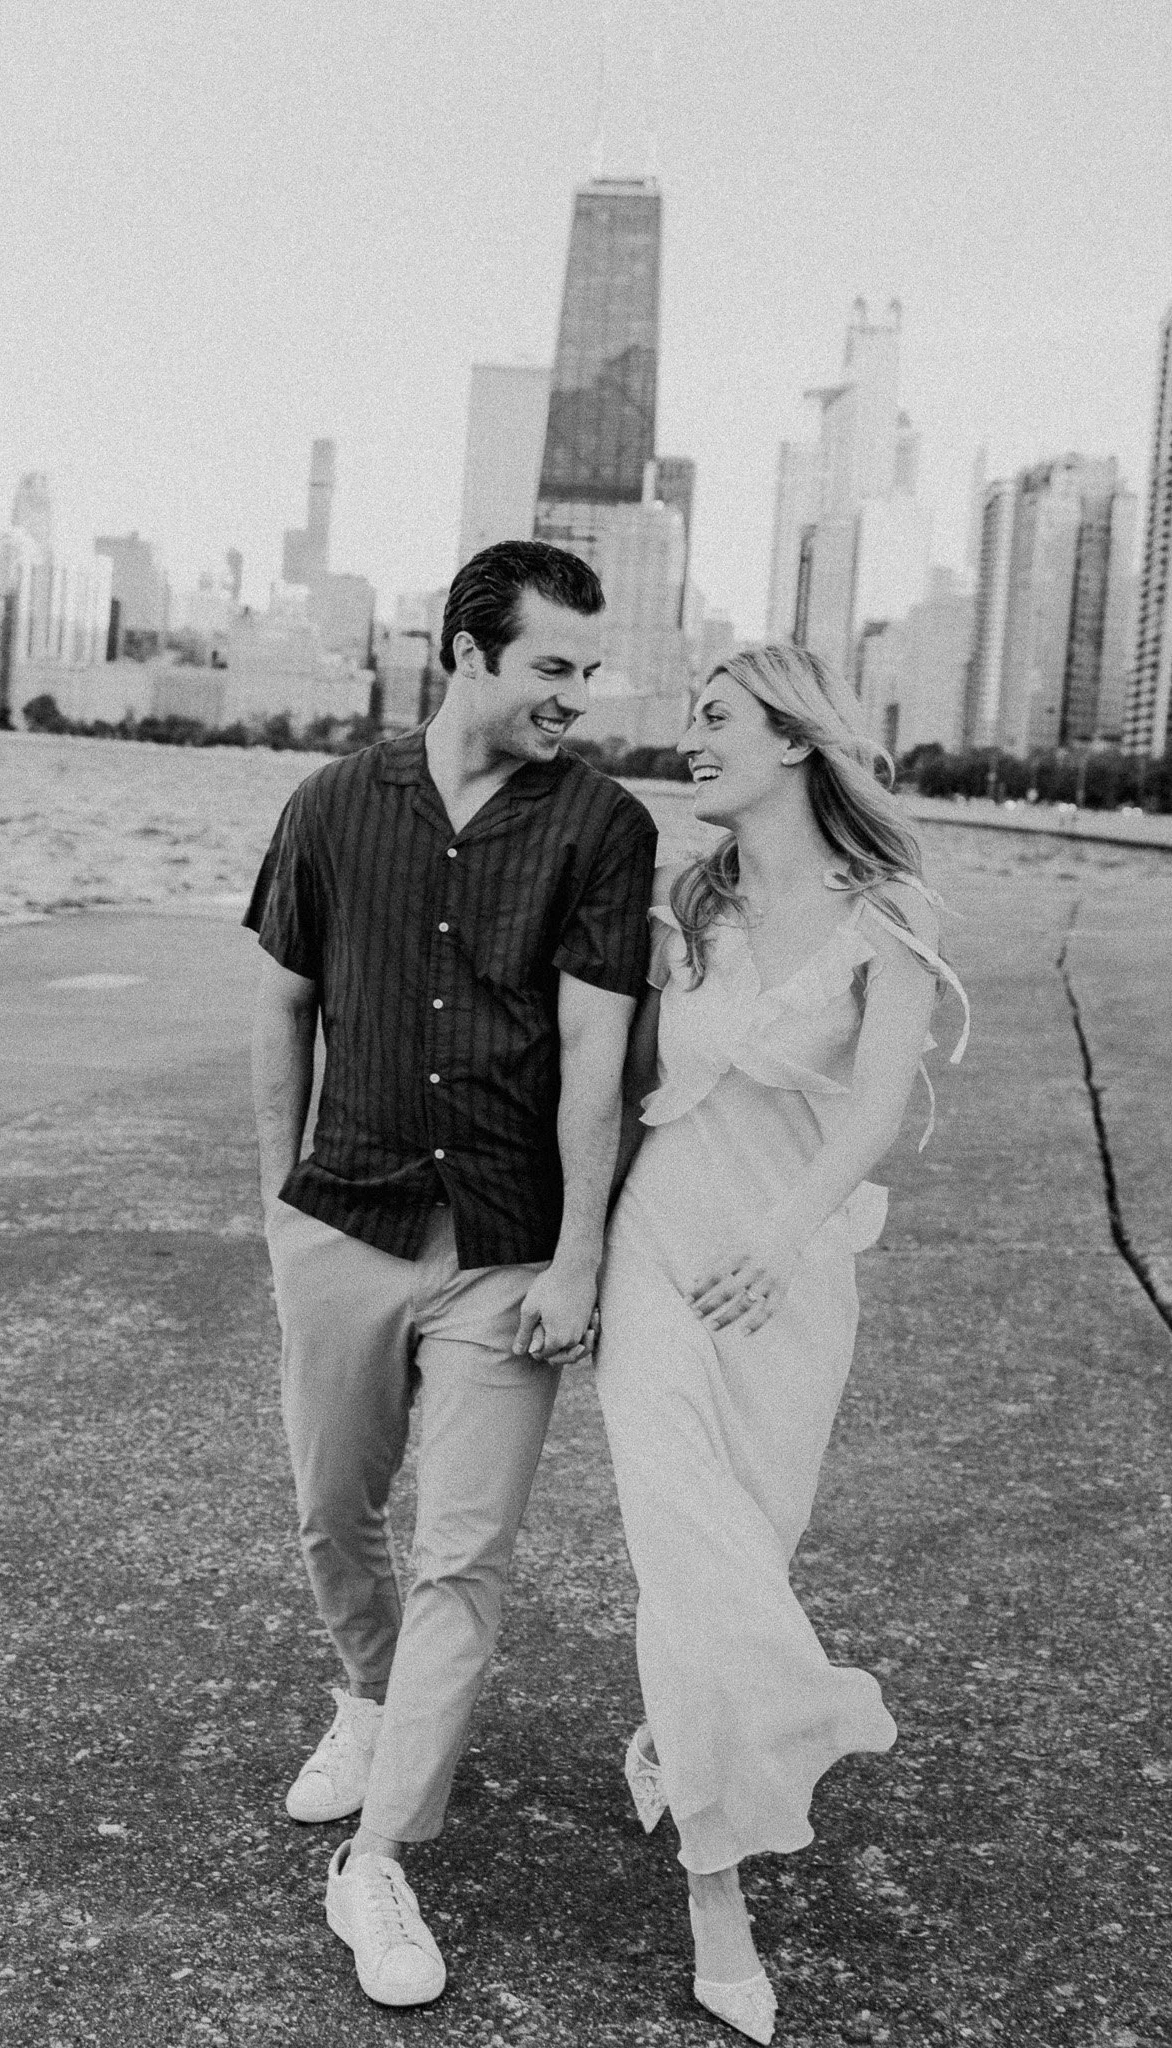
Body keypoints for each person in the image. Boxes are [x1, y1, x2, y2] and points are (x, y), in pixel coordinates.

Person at [245, 539, 657, 2007]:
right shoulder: (332, 805)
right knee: (330, 1507)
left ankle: (382, 1857)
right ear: (467, 655)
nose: (577, 698)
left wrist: (579, 1259)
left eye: (587, 672)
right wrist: (277, 1201)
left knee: (465, 1556)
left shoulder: (603, 826)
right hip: (345, 1217)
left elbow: (596, 1063)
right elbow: (283, 1003)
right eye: (553, 667)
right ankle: (366, 1698)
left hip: (504, 1246)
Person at [594, 644, 968, 2044]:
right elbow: (622, 1085)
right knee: (689, 1549)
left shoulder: (891, 912)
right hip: (663, 1253)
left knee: (745, 1549)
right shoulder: (684, 903)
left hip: (793, 1275)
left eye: (717, 721)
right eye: (688, 721)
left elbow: (875, 1111)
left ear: (799, 741)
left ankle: (684, 1739)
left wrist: (787, 1236)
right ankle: (716, 1897)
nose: (691, 744)